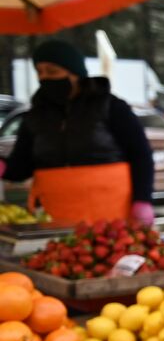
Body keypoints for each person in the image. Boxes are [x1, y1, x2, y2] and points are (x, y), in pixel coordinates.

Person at [0, 40, 155, 225]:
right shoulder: (34, 116)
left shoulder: (111, 107)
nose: (44, 78)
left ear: (75, 73)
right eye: (39, 72)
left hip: (111, 217)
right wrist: (4, 167)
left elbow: (141, 155)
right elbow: (21, 167)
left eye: (52, 71)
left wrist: (142, 199)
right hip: (53, 217)